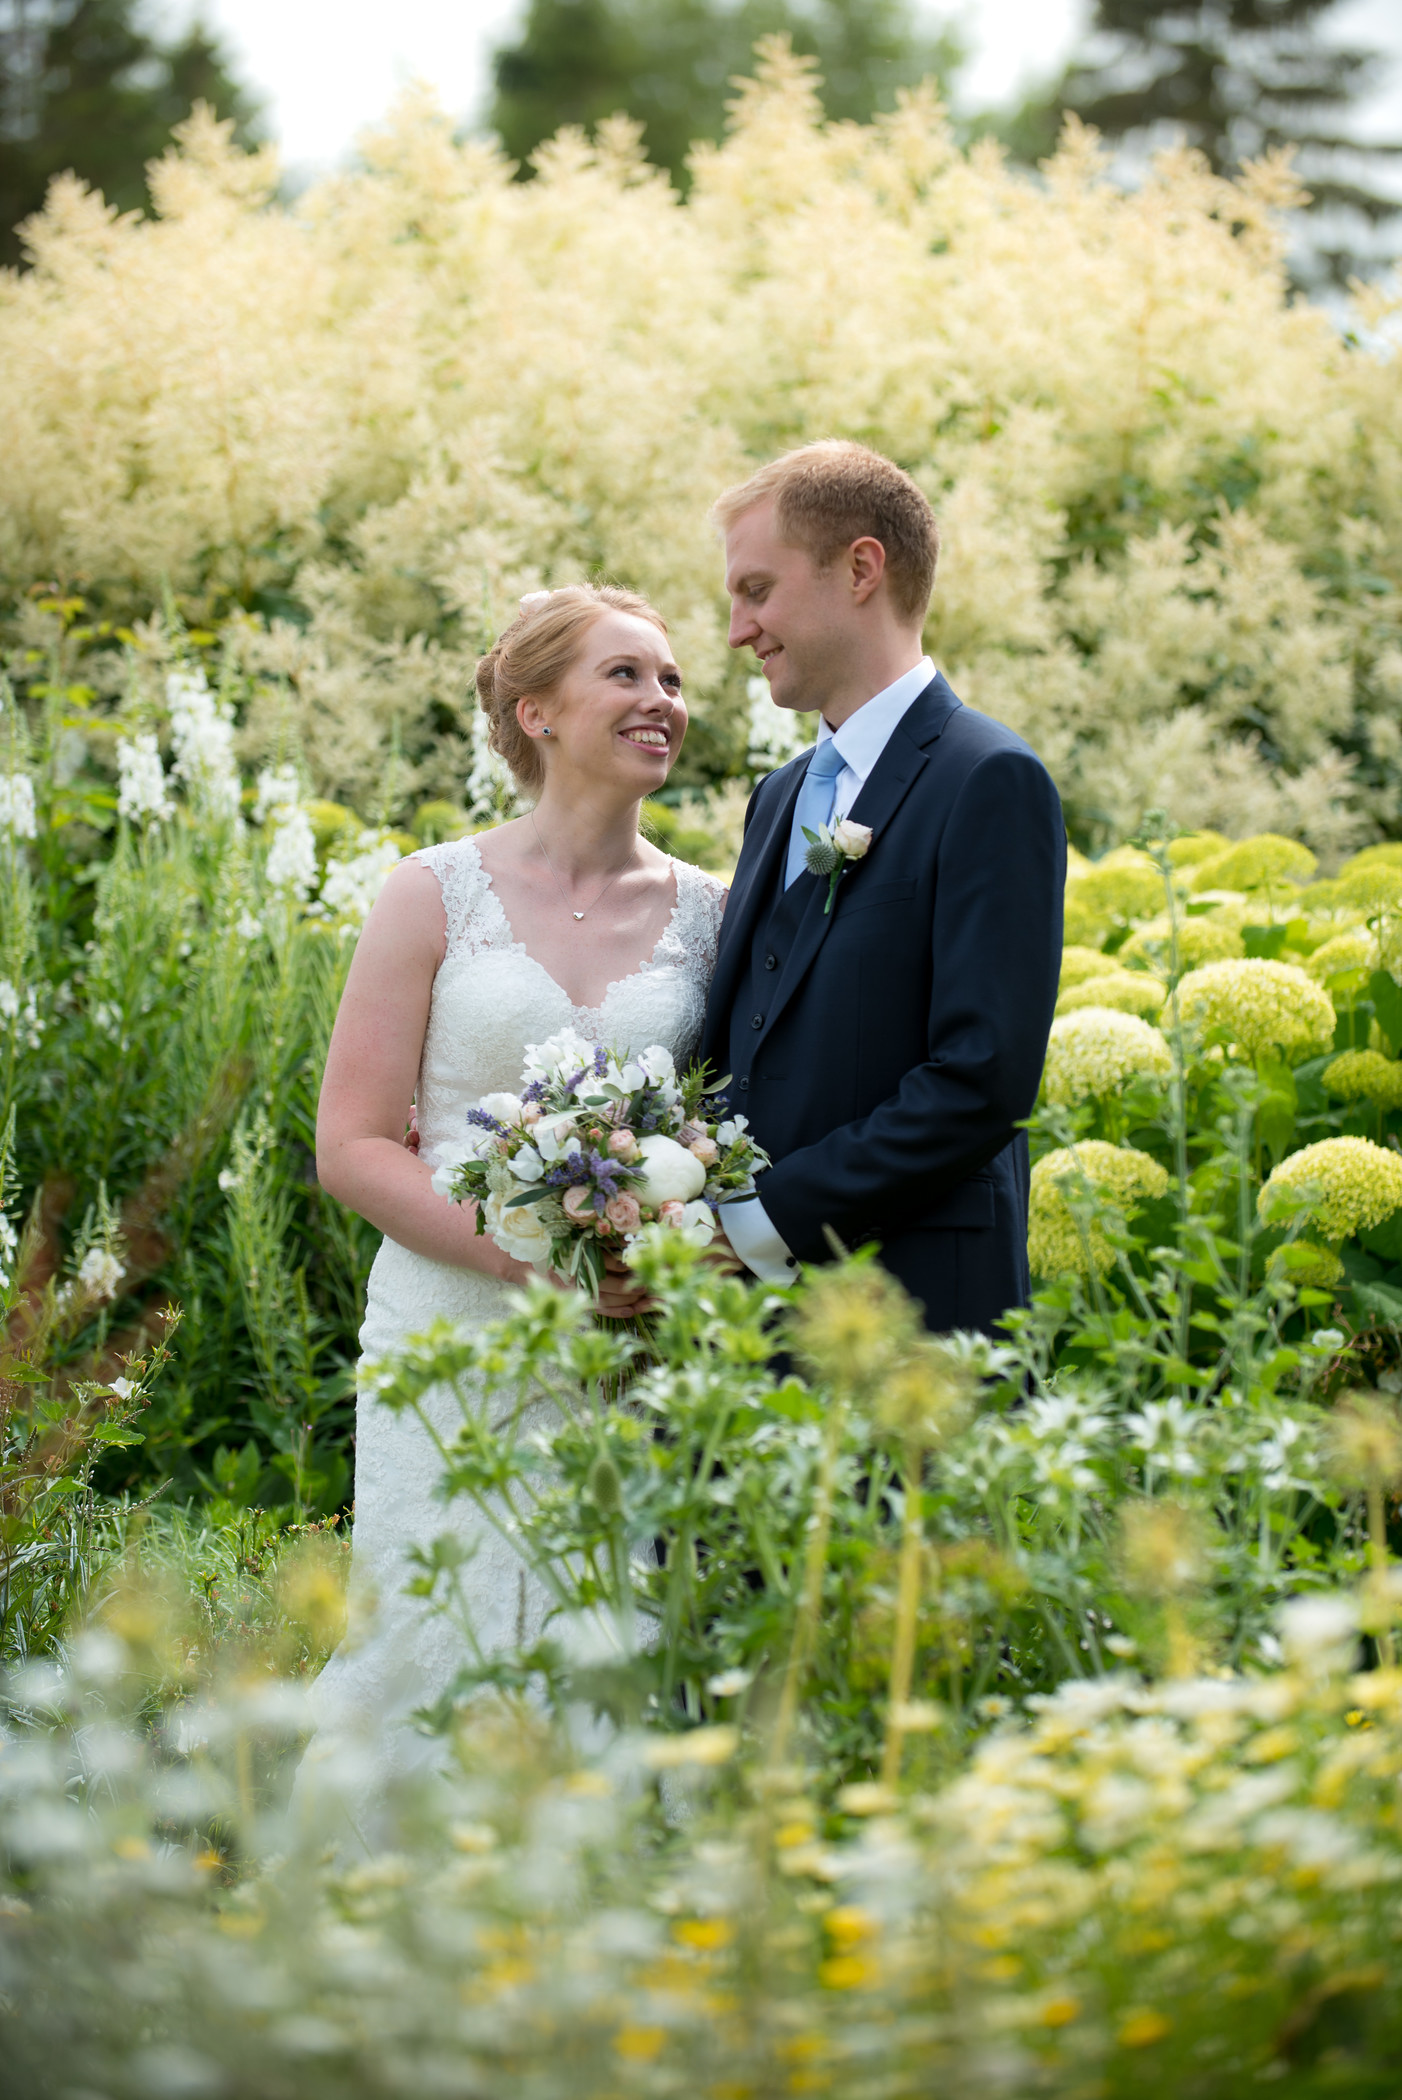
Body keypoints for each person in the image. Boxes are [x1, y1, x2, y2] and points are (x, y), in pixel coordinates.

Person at [299, 585, 726, 1846]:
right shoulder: (431, 892)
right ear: (535, 710)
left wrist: (660, 1254)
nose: (664, 702)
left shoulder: (715, 910)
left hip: (632, 1352)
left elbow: (724, 1129)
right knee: (442, 1621)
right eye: (628, 677)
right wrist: (535, 1267)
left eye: (672, 679)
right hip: (452, 1337)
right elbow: (352, 1145)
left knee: (617, 1623)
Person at [701, 441, 1064, 1334]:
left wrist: (762, 1220)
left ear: (861, 567)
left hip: (916, 1313)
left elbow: (981, 1080)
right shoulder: (778, 797)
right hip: (748, 1332)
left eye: (757, 590)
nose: (738, 631)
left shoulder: (990, 779)